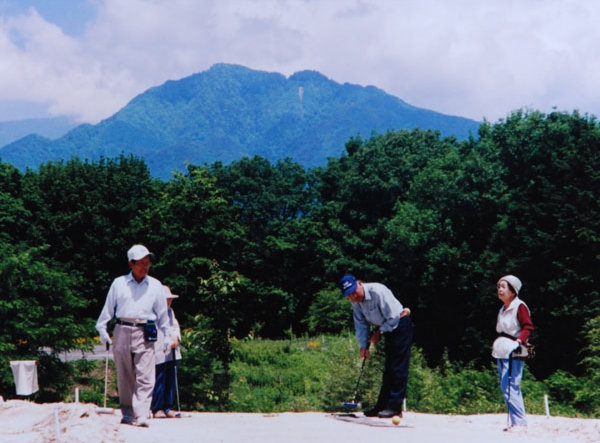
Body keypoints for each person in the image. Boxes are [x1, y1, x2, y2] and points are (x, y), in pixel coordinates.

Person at [96, 245, 175, 428]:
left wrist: (167, 335)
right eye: (141, 263)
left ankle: (141, 414)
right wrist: (102, 330)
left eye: (147, 263)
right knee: (125, 374)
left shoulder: (155, 285)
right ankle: (127, 412)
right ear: (131, 264)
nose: (145, 267)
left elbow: (162, 314)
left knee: (146, 375)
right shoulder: (118, 283)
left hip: (145, 330)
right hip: (122, 328)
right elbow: (108, 309)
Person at [339, 274, 412, 418]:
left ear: (359, 283)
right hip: (386, 328)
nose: (353, 297)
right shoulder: (355, 302)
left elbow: (393, 318)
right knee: (388, 368)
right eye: (349, 295)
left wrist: (378, 333)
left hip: (400, 324)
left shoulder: (378, 291)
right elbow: (361, 324)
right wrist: (363, 346)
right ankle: (382, 406)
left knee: (398, 366)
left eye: (354, 292)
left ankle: (395, 407)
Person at [492, 275, 534, 433]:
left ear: (513, 290)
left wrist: (518, 342)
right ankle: (515, 421)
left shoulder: (519, 306)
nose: (500, 290)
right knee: (505, 385)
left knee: (512, 385)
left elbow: (528, 327)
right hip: (503, 348)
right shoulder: (502, 308)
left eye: (504, 287)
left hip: (515, 348)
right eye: (499, 287)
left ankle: (520, 422)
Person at [151, 285, 182, 418]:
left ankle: (167, 407)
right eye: (166, 299)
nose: (168, 302)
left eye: (170, 299)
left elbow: (175, 326)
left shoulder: (170, 312)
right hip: (158, 349)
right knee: (159, 379)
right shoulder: (152, 314)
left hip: (172, 349)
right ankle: (157, 408)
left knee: (170, 378)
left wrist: (176, 337)